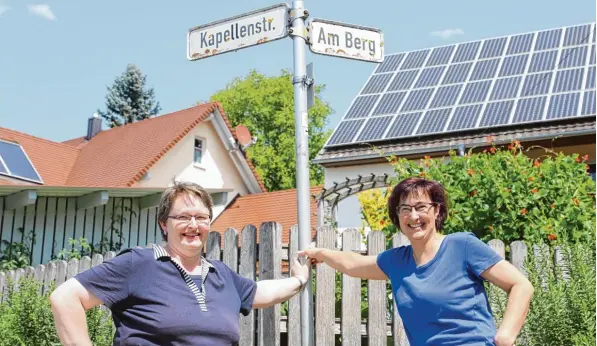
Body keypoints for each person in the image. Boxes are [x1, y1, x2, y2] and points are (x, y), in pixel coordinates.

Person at [50, 181, 310, 346]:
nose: (194, 225)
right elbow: (65, 297)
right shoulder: (139, 264)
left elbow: (262, 291)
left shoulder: (221, 275)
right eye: (183, 217)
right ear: (164, 223)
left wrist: (298, 280)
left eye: (201, 217)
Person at [299, 177, 534, 346]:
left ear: (436, 211)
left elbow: (521, 285)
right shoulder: (397, 262)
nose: (413, 216)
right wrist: (320, 253)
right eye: (405, 209)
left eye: (421, 207)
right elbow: (352, 264)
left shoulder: (461, 246)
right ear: (397, 215)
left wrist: (505, 337)